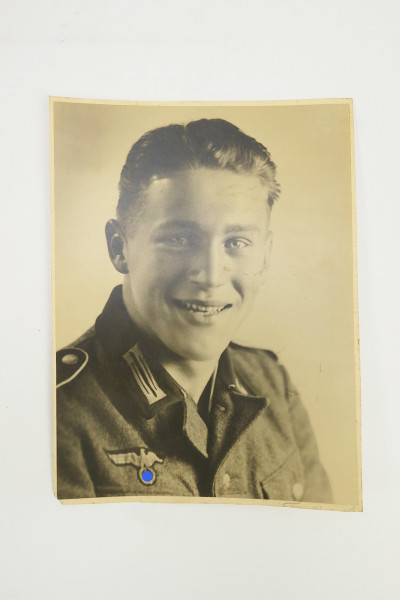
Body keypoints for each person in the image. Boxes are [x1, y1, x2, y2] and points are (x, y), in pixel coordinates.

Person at [56, 118, 332, 503]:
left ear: (266, 256)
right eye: (179, 238)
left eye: (237, 242)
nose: (210, 275)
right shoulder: (57, 414)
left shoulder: (273, 383)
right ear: (119, 247)